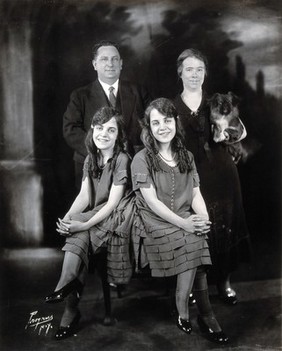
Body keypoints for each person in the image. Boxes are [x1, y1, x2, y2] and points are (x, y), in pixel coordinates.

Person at [131, 98, 229, 344]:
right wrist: (186, 224)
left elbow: (195, 193)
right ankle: (195, 309)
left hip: (183, 216)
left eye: (167, 120)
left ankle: (191, 310)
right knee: (193, 237)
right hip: (153, 221)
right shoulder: (142, 159)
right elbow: (151, 202)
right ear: (149, 127)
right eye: (156, 122)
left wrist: (203, 218)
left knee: (197, 232)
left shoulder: (186, 156)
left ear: (176, 122)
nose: (163, 127)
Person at [45, 107, 132, 340]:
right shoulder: (90, 159)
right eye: (99, 127)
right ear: (93, 129)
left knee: (79, 233)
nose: (104, 133)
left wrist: (80, 225)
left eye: (111, 130)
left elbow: (112, 204)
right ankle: (67, 293)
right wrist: (67, 219)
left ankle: (68, 304)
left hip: (116, 218)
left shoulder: (122, 159)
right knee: (76, 231)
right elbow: (84, 196)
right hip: (94, 216)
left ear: (118, 135)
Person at [173, 48, 251, 305]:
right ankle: (195, 285)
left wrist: (230, 132)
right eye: (189, 69)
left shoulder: (217, 102)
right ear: (180, 72)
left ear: (205, 73)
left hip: (222, 174)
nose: (194, 74)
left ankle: (224, 282)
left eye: (199, 69)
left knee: (224, 227)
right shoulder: (171, 107)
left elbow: (240, 133)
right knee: (195, 229)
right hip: (188, 176)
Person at [63, 40, 150, 189]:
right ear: (94, 64)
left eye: (115, 59)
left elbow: (151, 124)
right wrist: (97, 152)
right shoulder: (80, 95)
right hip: (92, 166)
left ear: (121, 64)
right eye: (104, 59)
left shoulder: (138, 92)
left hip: (132, 166)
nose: (110, 64)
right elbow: (70, 130)